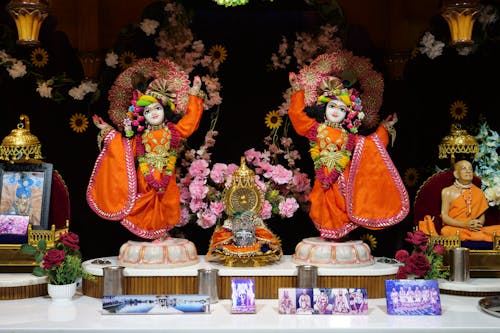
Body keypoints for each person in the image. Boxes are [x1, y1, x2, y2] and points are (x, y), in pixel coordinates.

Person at [288, 73, 409, 240]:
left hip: (343, 183)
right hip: (322, 181)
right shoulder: (315, 129)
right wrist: (298, 91)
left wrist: (384, 128)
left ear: (348, 114)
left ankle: (339, 239)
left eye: (342, 109)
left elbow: (371, 144)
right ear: (323, 109)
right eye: (332, 106)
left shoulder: (350, 137)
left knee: (342, 209)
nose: (336, 111)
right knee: (320, 207)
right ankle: (329, 238)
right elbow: (298, 117)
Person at [86, 75, 205, 240]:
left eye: (157, 108)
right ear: (142, 116)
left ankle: (162, 234)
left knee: (168, 203)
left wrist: (194, 92)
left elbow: (190, 122)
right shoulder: (140, 137)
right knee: (145, 206)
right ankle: (151, 237)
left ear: (165, 110)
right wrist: (107, 130)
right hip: (146, 177)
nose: (153, 113)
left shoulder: (174, 131)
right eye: (148, 111)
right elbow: (122, 146)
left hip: (167, 177)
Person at [440, 159, 500, 242]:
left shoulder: (479, 192)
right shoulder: (447, 192)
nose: (468, 171)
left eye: (470, 169)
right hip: (456, 228)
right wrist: (464, 225)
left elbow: (481, 218)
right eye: (464, 168)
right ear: (456, 174)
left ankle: (474, 236)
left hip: (474, 229)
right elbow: (444, 217)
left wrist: (477, 225)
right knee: (445, 231)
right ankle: (478, 237)